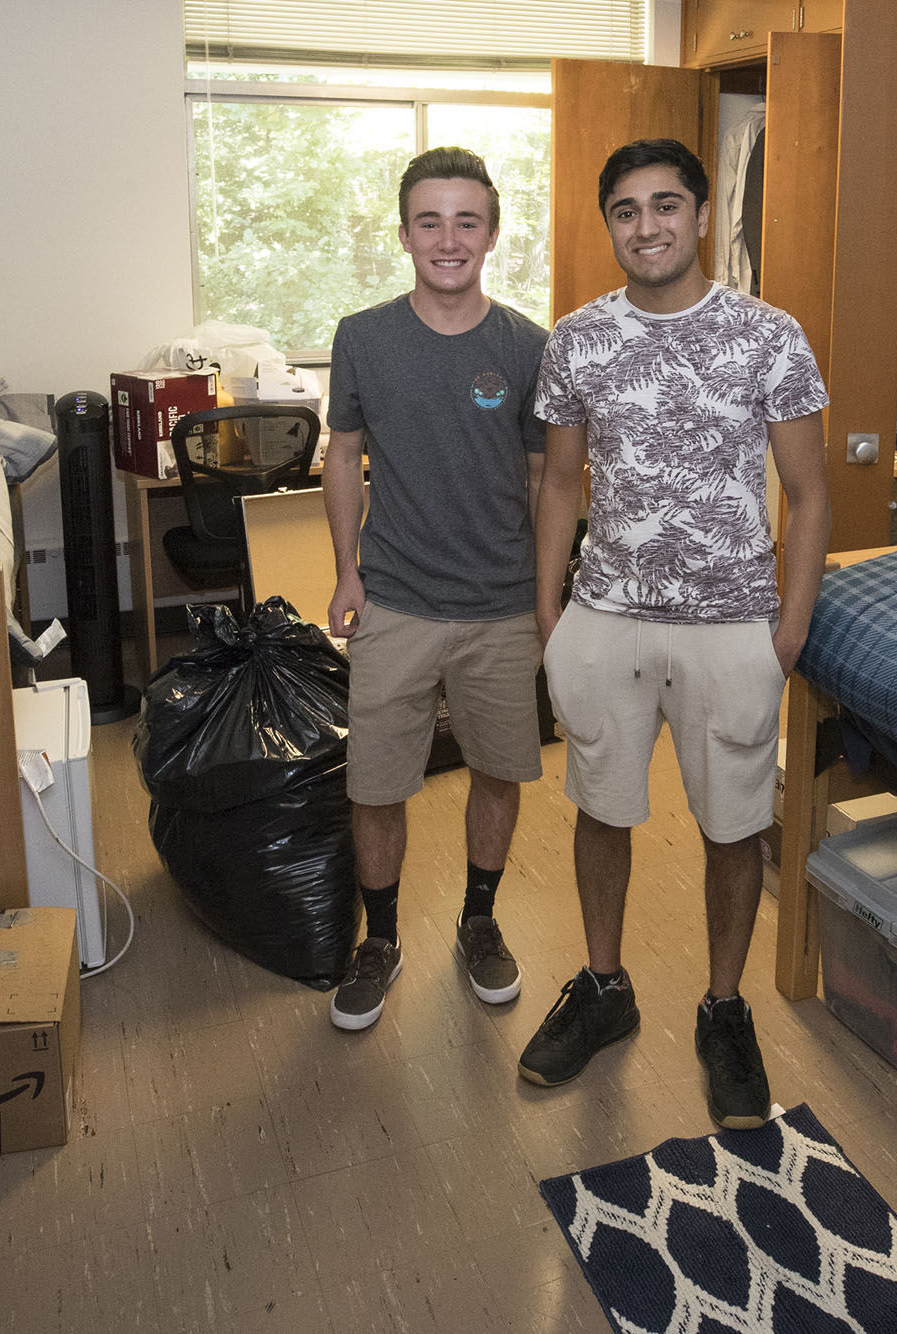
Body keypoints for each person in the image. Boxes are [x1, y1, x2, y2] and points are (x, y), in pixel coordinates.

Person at [521, 138, 832, 1128]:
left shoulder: (769, 336)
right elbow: (560, 482)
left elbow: (810, 494)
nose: (645, 225)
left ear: (701, 215)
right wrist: (548, 611)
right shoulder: (574, 338)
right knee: (600, 810)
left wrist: (786, 628)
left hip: (729, 625)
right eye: (624, 209)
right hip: (605, 615)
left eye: (664, 205)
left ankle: (722, 1006)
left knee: (733, 826)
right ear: (606, 222)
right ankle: (604, 988)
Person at [320, 146, 550, 1032]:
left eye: (466, 221)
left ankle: (479, 920)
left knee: (499, 771)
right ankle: (380, 940)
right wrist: (347, 569)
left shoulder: (529, 346)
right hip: (396, 600)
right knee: (376, 786)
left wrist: (545, 595)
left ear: (491, 232)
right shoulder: (363, 337)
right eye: (430, 221)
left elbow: (545, 482)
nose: (447, 239)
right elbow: (344, 455)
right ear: (406, 231)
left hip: (500, 608)